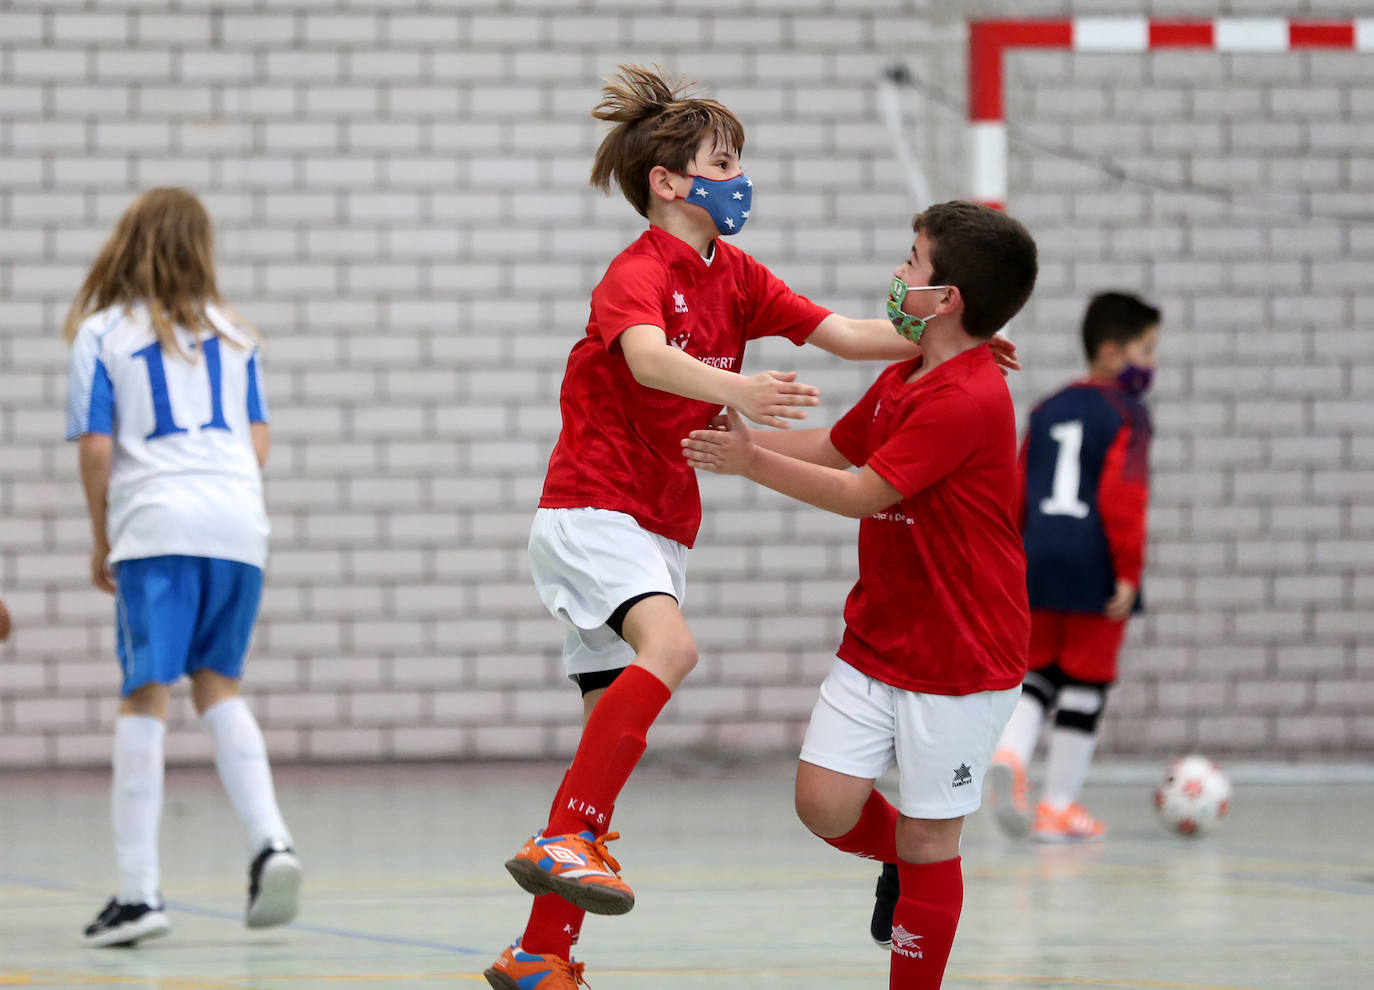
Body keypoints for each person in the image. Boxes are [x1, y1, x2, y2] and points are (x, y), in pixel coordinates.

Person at [484, 71, 1019, 990]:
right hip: (593, 507)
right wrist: (740, 389)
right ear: (668, 182)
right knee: (673, 651)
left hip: (658, 527)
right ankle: (564, 853)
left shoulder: (735, 276)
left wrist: (945, 341)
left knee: (602, 746)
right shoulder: (637, 273)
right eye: (724, 164)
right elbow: (648, 359)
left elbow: (842, 333)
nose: (740, 180)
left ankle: (543, 952)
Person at [682, 201, 1038, 989]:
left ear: (947, 299)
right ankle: (901, 862)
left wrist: (750, 465)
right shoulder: (905, 373)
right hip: (880, 635)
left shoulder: (965, 398)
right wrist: (738, 442)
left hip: (961, 655)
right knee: (823, 804)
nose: (899, 273)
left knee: (931, 840)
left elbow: (862, 492)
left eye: (913, 262)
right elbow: (838, 447)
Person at [64, 188, 301, 948]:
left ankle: (139, 895)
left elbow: (96, 446)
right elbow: (257, 443)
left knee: (144, 694)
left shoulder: (101, 333)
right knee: (218, 684)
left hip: (156, 522)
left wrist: (100, 536)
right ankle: (271, 842)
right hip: (239, 523)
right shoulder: (237, 333)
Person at [985, 291, 1159, 843]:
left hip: (1035, 561)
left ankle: (1011, 753)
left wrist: (1008, 559)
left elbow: (1015, 490)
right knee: (1086, 685)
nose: (1152, 363)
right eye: (1146, 351)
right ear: (1111, 352)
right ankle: (1057, 807)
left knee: (1037, 673)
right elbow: (1124, 499)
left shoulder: (1047, 409)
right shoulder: (1129, 415)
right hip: (1095, 567)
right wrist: (1128, 573)